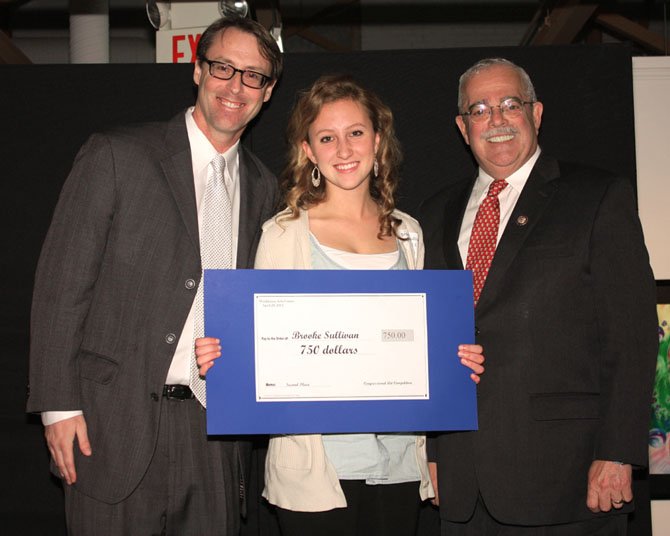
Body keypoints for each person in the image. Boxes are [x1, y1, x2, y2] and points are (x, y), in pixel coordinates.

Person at [195, 74, 485, 536]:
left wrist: (454, 359)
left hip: (398, 466)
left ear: (377, 139)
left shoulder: (409, 234)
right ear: (308, 150)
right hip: (316, 473)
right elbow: (260, 346)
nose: (344, 150)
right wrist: (225, 358)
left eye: (355, 133)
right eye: (327, 138)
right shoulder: (282, 234)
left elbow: (419, 343)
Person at [27, 16, 282, 535]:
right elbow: (61, 287)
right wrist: (57, 407)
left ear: (268, 91)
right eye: (223, 68)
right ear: (197, 70)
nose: (235, 86)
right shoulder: (118, 154)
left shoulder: (266, 189)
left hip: (216, 433)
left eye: (252, 75)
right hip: (110, 425)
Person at [419, 57, 658, 534]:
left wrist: (617, 452)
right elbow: (427, 340)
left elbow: (631, 335)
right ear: (463, 128)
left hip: (569, 478)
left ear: (537, 113)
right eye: (480, 109)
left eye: (511, 103)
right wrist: (432, 451)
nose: (497, 119)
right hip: (464, 482)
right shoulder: (435, 212)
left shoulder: (597, 196)